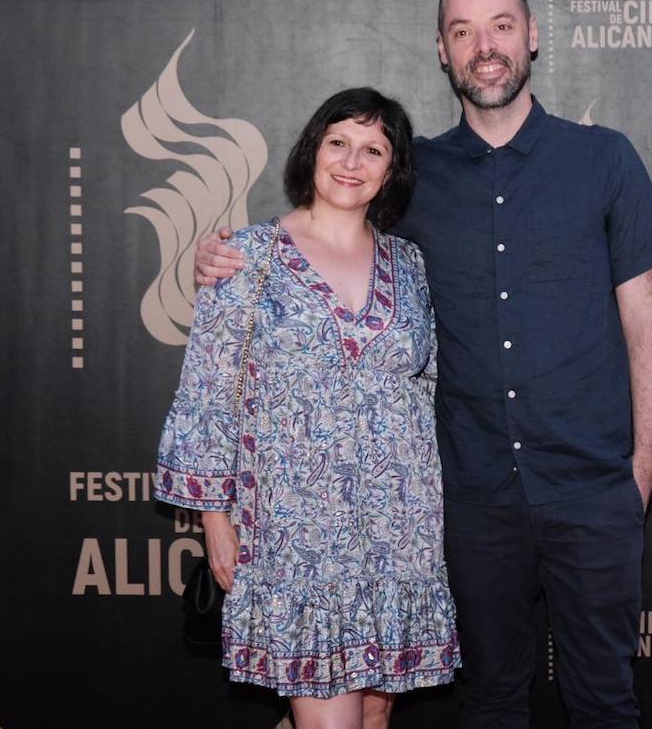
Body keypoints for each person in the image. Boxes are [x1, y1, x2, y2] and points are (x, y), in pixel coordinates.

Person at [195, 0, 652, 728]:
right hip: (472, 498)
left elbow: (646, 319)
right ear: (442, 53)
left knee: (605, 702)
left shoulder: (604, 160)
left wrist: (641, 468)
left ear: (533, 35)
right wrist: (228, 258)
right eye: (462, 32)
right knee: (488, 701)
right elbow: (327, 245)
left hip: (590, 487)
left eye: (500, 26)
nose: (484, 47)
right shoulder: (411, 179)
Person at [155, 87, 460, 729]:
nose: (353, 161)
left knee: (375, 721)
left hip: (398, 535)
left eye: (373, 149)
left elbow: (426, 384)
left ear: (392, 169)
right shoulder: (246, 257)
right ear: (312, 150)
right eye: (339, 142)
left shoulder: (410, 266)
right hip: (297, 540)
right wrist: (215, 519)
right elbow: (208, 395)